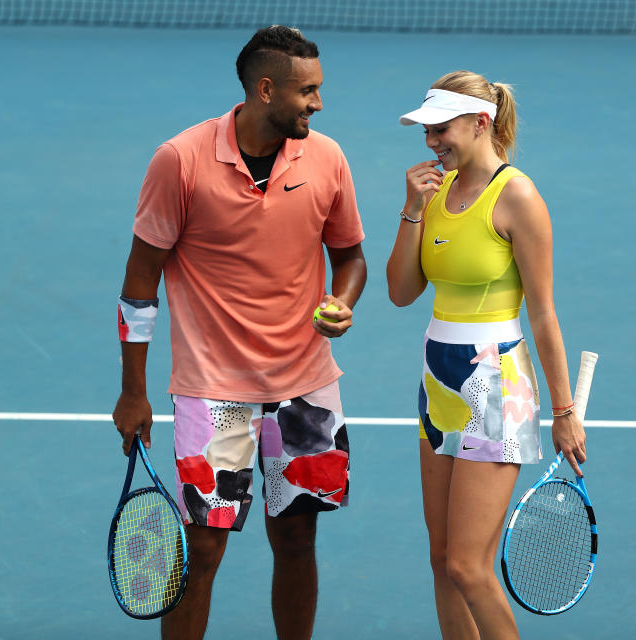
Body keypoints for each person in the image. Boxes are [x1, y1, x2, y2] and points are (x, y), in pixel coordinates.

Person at [111, 25, 367, 640]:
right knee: (202, 549)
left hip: (305, 385)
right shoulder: (181, 159)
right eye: (308, 91)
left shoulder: (327, 157)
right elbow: (140, 279)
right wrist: (133, 391)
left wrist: (343, 300)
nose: (319, 103)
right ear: (266, 88)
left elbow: (351, 256)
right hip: (213, 389)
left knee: (298, 537)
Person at [386, 71, 587, 639]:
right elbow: (401, 293)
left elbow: (544, 313)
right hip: (438, 383)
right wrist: (411, 209)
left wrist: (564, 410)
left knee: (468, 567)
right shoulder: (435, 194)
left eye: (441, 128)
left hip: (494, 385)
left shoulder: (517, 196)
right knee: (441, 560)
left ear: (481, 122)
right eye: (426, 131)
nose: (431, 142)